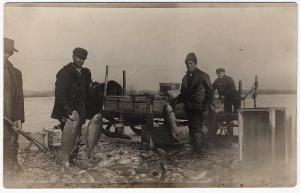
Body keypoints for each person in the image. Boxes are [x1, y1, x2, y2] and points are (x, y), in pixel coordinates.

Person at [51, 47, 92, 167]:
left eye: (83, 59)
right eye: (79, 57)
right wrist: (68, 110)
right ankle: (66, 160)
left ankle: (72, 161)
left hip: (80, 112)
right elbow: (60, 94)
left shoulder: (84, 73)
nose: (81, 60)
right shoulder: (64, 72)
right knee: (68, 137)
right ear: (73, 56)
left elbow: (86, 94)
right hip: (68, 113)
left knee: (77, 137)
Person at [174, 52, 215, 152]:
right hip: (189, 107)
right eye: (188, 63)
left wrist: (207, 105)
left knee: (197, 129)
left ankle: (198, 151)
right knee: (191, 128)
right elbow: (183, 93)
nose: (189, 65)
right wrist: (174, 101)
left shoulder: (203, 76)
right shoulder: (185, 78)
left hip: (200, 107)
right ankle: (195, 151)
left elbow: (210, 92)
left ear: (195, 63)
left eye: (191, 63)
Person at [3, 37, 25, 183]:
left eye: (8, 52)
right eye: (3, 51)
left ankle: (10, 167)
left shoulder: (16, 73)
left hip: (10, 117)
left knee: (11, 142)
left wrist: (18, 118)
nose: (5, 55)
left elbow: (19, 99)